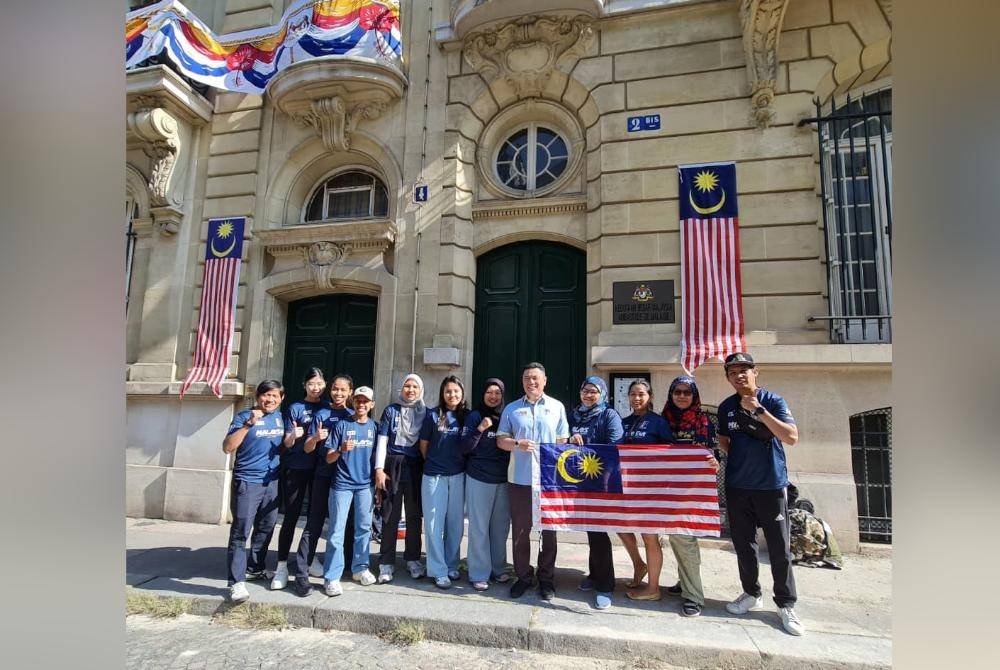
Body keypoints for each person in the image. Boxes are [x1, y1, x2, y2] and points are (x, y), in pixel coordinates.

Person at [717, 351, 804, 636]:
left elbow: (791, 437)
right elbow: (724, 443)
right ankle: (751, 593)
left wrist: (759, 412)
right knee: (744, 545)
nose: (739, 375)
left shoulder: (773, 401)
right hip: (738, 486)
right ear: (728, 378)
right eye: (733, 372)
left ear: (756, 372)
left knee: (779, 549)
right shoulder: (725, 407)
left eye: (744, 369)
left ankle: (786, 603)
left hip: (771, 485)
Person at [496, 362, 569, 601]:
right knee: (520, 530)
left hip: (549, 481)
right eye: (527, 378)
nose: (531, 382)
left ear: (545, 381)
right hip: (520, 478)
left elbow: (562, 442)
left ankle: (546, 579)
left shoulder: (557, 407)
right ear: (522, 381)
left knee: (549, 531)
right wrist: (517, 444)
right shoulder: (512, 409)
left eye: (536, 378)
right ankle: (524, 576)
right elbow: (501, 440)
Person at [660, 375, 721, 617]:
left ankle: (693, 596)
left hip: (692, 489)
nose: (682, 396)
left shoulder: (703, 420)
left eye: (687, 392)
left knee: (685, 537)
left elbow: (713, 451)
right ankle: (684, 581)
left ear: (694, 396)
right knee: (677, 538)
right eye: (678, 392)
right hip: (666, 487)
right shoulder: (663, 419)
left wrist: (714, 461)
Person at [289, 374, 354, 597]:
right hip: (322, 475)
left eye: (343, 390)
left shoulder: (353, 415)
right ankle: (301, 573)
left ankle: (342, 567)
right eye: (335, 389)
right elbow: (307, 448)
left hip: (347, 479)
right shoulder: (321, 413)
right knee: (314, 523)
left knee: (343, 525)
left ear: (350, 392)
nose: (338, 393)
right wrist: (316, 437)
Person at [222, 380, 286, 603]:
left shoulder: (280, 418)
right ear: (259, 396)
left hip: (272, 482)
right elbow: (228, 447)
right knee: (241, 531)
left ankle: (255, 568)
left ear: (281, 399)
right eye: (266, 395)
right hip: (248, 482)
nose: (270, 400)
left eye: (275, 396)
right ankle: (236, 582)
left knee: (266, 527)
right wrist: (248, 425)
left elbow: (282, 446)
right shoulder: (243, 417)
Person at [567, 376, 623, 610]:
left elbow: (614, 445)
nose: (588, 395)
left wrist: (586, 441)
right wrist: (571, 438)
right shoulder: (574, 414)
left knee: (599, 532)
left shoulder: (609, 415)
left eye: (593, 391)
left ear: (602, 394)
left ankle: (605, 585)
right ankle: (593, 573)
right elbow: (563, 438)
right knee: (590, 529)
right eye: (585, 391)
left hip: (601, 481)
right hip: (578, 480)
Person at [270, 368, 327, 591]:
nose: (316, 387)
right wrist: (293, 436)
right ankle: (282, 565)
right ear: (305, 385)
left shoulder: (326, 408)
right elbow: (286, 442)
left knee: (315, 518)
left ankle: (309, 558)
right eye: (312, 383)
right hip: (296, 467)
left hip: (320, 469)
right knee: (291, 517)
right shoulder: (295, 408)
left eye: (320, 383)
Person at [321, 385, 379, 596]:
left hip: (365, 486)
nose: (361, 404)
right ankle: (332, 576)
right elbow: (328, 457)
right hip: (342, 485)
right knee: (336, 530)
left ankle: (360, 568)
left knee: (364, 528)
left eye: (365, 401)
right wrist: (340, 449)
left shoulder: (375, 427)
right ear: (353, 402)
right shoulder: (342, 426)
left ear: (372, 404)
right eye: (358, 401)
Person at [619, 380, 673, 602]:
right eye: (632, 394)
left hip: (650, 488)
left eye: (641, 394)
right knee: (621, 527)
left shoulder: (658, 423)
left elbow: (671, 454)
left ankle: (653, 588)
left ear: (650, 396)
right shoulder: (623, 422)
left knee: (649, 536)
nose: (636, 398)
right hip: (626, 485)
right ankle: (639, 565)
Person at [374, 374, 427, 583]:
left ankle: (413, 559)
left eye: (415, 386)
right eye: (407, 386)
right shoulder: (391, 411)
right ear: (401, 389)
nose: (411, 390)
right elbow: (382, 440)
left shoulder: (426, 413)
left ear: (421, 390)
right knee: (390, 514)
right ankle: (386, 562)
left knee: (414, 516)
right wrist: (379, 469)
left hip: (415, 467)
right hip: (393, 465)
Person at [419, 375, 469, 589]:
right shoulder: (432, 415)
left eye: (456, 391)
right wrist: (435, 462)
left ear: (462, 393)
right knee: (433, 524)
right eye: (448, 391)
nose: (452, 395)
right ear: (442, 393)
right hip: (434, 476)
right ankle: (438, 570)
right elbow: (424, 445)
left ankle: (451, 563)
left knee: (455, 524)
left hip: (458, 475)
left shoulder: (466, 416)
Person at [461, 378, 511, 591]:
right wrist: (480, 429)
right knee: (479, 528)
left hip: (504, 479)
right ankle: (479, 572)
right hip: (479, 477)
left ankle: (498, 569)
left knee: (500, 528)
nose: (493, 396)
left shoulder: (507, 416)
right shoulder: (474, 416)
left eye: (497, 393)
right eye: (489, 392)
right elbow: (465, 447)